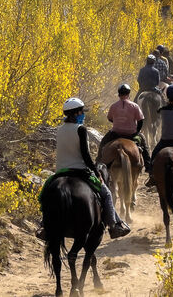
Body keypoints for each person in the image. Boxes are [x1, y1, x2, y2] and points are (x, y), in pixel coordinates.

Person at [36, 97, 130, 240]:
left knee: (45, 194)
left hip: (60, 171)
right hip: (79, 170)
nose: (83, 115)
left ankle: (44, 224)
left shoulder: (59, 130)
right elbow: (85, 155)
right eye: (81, 112)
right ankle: (114, 225)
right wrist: (95, 170)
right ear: (76, 113)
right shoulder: (81, 129)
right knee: (106, 193)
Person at [97, 84, 151, 172]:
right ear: (128, 94)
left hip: (115, 134)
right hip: (131, 134)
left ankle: (98, 161)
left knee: (103, 143)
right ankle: (148, 166)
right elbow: (141, 121)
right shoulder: (134, 106)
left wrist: (118, 123)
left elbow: (110, 119)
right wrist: (137, 132)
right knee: (144, 145)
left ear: (119, 94)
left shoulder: (113, 106)